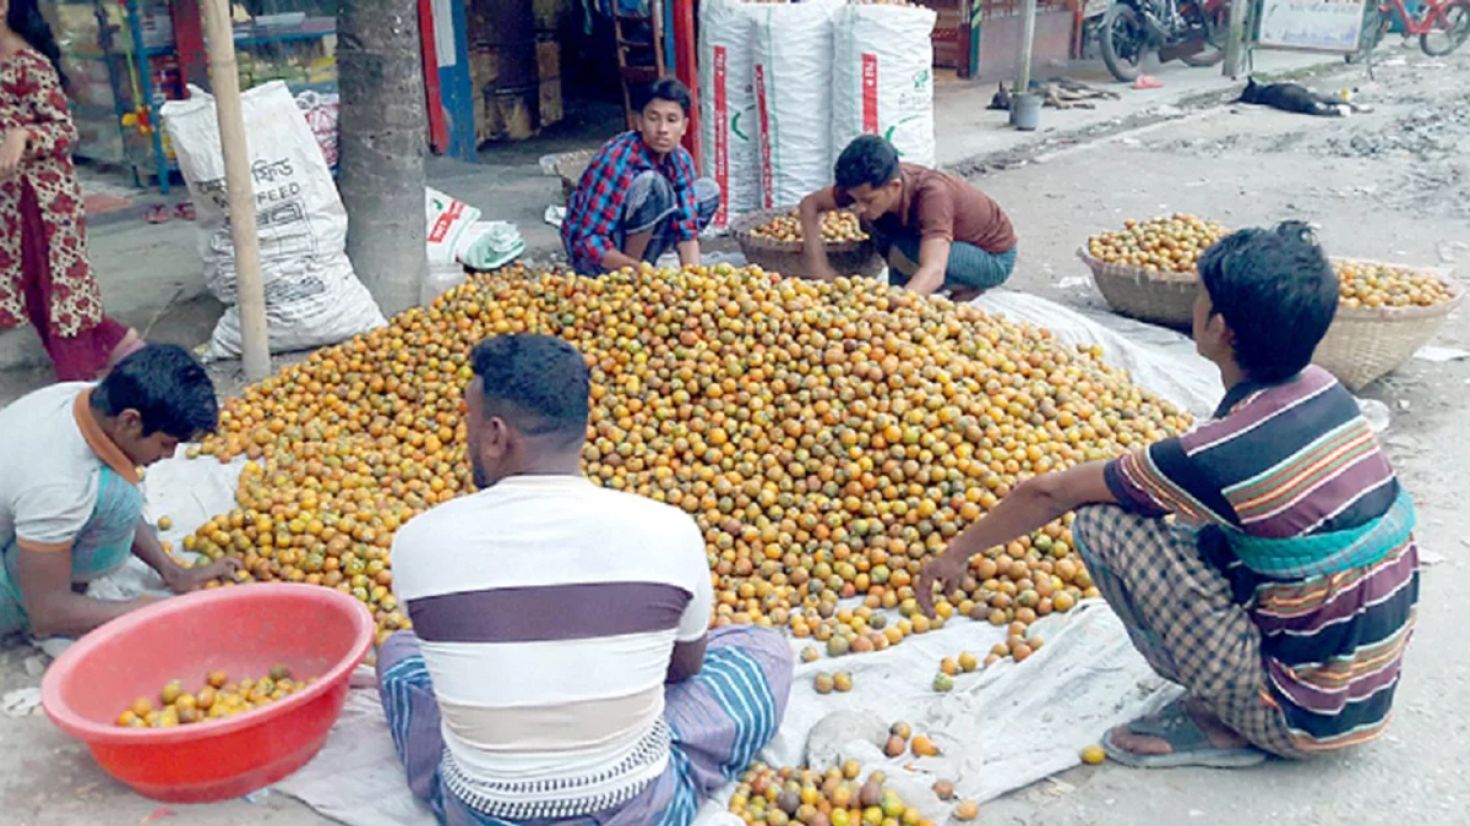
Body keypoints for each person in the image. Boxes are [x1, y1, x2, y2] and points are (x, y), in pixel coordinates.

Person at [917, 222, 1419, 767]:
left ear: (1222, 327)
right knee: (1191, 522)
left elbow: (1049, 492)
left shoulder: (1219, 454)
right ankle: (1259, 684)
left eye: (1199, 296)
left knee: (1104, 523)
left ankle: (1225, 720)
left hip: (1297, 717)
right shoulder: (1326, 390)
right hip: (1362, 689)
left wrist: (956, 552)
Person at [378, 334, 792, 825]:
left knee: (399, 657)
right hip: (639, 811)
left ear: (495, 435)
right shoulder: (668, 528)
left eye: (467, 423)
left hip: (483, 813)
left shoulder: (418, 541)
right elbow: (684, 668)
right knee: (764, 651)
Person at [0, 344, 238, 640]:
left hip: (21, 509)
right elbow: (47, 613)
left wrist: (173, 571)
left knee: (120, 491)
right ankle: (16, 604)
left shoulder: (87, 398)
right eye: (166, 443)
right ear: (130, 421)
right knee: (116, 500)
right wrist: (144, 609)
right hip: (23, 588)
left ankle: (44, 566)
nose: (169, 455)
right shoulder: (59, 486)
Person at [0, 0, 144, 381]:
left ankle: (75, 389)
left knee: (60, 294)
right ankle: (121, 345)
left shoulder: (30, 65)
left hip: (46, 199)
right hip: (12, 202)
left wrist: (25, 135)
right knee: (29, 293)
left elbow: (65, 129)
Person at [799, 135, 1017, 300]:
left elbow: (934, 269)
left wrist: (893, 312)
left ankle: (966, 285)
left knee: (904, 252)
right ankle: (916, 286)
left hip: (992, 257)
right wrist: (818, 267)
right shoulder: (866, 186)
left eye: (868, 200)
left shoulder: (933, 194)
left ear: (894, 187)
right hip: (937, 242)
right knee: (879, 232)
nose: (859, 208)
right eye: (855, 200)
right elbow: (809, 205)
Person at [561, 78, 721, 276]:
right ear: (639, 122)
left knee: (707, 191)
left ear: (684, 126)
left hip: (640, 247)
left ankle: (645, 265)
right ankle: (629, 277)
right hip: (597, 259)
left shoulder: (680, 158)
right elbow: (588, 241)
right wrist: (638, 272)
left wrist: (695, 278)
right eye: (653, 118)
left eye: (672, 120)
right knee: (653, 185)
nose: (662, 129)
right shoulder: (617, 158)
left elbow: (686, 227)